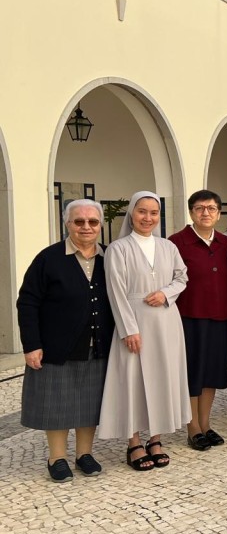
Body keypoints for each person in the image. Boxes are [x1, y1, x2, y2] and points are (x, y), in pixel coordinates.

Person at [18, 199, 115, 481]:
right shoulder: (48, 258)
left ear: (99, 225)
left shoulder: (110, 257)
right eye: (79, 221)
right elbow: (28, 302)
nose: (86, 227)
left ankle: (84, 454)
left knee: (90, 403)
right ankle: (56, 458)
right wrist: (31, 344)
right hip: (56, 346)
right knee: (58, 404)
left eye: (92, 222)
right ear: (67, 224)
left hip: (99, 344)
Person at [97, 191, 190, 469]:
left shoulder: (167, 247)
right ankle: (134, 442)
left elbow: (181, 277)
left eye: (153, 213)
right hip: (135, 322)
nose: (147, 218)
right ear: (131, 214)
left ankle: (156, 438)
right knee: (134, 381)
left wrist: (165, 293)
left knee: (163, 377)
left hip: (166, 320)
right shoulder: (118, 248)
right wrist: (128, 329)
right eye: (142, 212)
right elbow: (116, 292)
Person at [169, 190, 227, 451]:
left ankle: (206, 423)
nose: (205, 213)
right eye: (199, 208)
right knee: (193, 373)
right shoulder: (176, 242)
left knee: (212, 373)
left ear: (219, 213)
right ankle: (192, 426)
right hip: (190, 317)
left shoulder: (225, 243)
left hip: (221, 316)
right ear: (191, 212)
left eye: (211, 208)